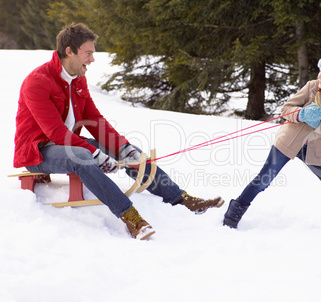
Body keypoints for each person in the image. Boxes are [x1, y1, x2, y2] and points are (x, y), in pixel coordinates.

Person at [14, 23, 224, 240]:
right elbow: (56, 132)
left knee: (130, 150)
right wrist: (96, 154)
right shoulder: (37, 82)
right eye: (88, 53)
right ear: (69, 51)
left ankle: (180, 199)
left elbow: (94, 120)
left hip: (69, 144)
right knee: (83, 156)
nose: (92, 59)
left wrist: (122, 148)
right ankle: (130, 216)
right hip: (38, 151)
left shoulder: (78, 79)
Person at [223, 49, 321, 233]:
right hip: (290, 141)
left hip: (318, 150)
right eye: (320, 72)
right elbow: (286, 109)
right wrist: (302, 114)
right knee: (263, 180)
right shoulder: (312, 86)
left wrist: (318, 123)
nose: (320, 77)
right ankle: (233, 214)